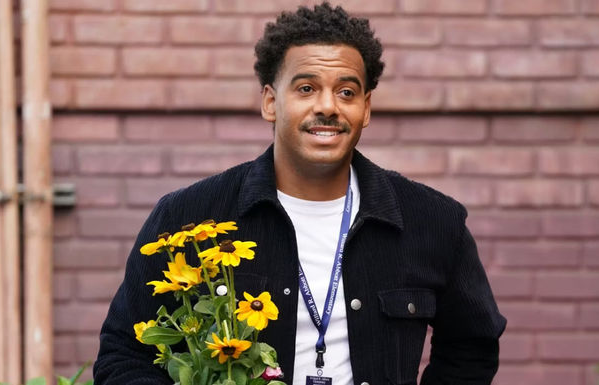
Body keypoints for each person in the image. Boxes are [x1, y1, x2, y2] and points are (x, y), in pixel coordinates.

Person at [93, 2, 506, 384]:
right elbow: (124, 354)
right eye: (306, 88)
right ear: (271, 102)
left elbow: (472, 347)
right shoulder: (188, 219)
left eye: (346, 92)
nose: (328, 106)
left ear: (366, 108)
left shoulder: (433, 221)